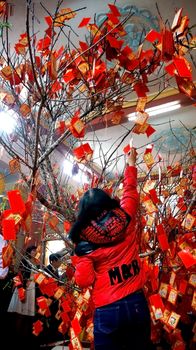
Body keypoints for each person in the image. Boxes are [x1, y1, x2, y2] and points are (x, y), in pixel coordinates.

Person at [69, 148, 152, 350]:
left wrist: (81, 257)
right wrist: (130, 163)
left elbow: (84, 280)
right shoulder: (126, 219)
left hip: (107, 309)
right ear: (107, 203)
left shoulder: (85, 245)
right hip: (136, 302)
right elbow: (130, 191)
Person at [7, 245, 40, 350]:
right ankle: (17, 337)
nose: (35, 252)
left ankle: (24, 338)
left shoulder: (35, 262)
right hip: (25, 287)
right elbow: (20, 275)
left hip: (32, 288)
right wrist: (23, 287)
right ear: (29, 251)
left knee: (27, 315)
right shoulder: (25, 261)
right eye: (33, 250)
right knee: (20, 313)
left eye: (35, 250)